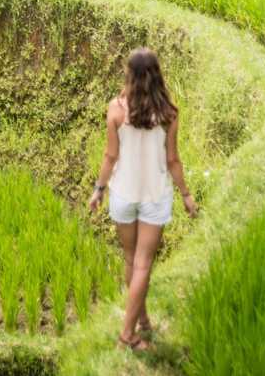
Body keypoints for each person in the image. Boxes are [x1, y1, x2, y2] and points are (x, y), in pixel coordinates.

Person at [88, 47, 198, 351]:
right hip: (154, 197)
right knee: (143, 264)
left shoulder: (116, 109)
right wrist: (186, 196)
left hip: (123, 195)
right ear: (157, 75)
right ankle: (128, 335)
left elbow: (111, 156)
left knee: (131, 260)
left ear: (129, 75)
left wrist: (99, 190)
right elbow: (173, 160)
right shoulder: (168, 114)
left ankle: (143, 320)